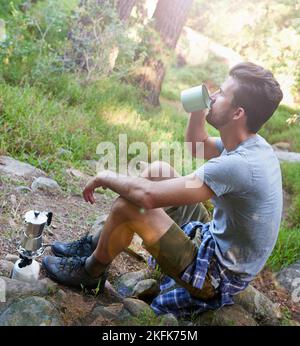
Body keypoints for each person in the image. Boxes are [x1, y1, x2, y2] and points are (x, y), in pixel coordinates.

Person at [42, 62, 283, 317]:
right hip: (214, 238)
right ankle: (96, 243)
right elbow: (197, 145)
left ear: (238, 113)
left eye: (221, 93)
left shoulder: (239, 165)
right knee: (159, 170)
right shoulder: (251, 145)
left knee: (131, 205)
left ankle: (90, 272)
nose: (213, 97)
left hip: (216, 274)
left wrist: (106, 176)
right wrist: (197, 111)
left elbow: (146, 196)